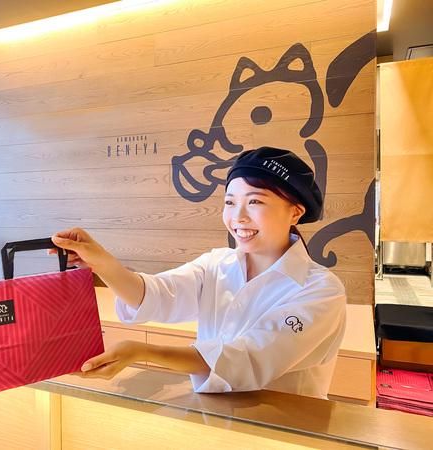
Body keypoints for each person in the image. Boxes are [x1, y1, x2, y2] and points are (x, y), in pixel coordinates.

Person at [50, 146, 347, 399]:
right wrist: (101, 262)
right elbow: (157, 294)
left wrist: (143, 351)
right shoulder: (216, 264)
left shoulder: (321, 290)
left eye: (255, 202)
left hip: (290, 430)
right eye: (230, 202)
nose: (238, 216)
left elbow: (248, 358)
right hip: (214, 419)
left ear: (295, 212)